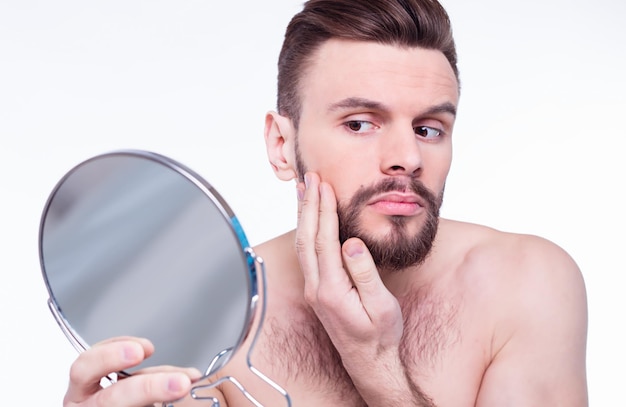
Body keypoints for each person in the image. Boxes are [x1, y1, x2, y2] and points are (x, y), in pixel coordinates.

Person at [62, 0, 588, 405]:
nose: (406, 157)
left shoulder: (527, 285)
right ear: (280, 146)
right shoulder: (195, 314)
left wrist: (379, 366)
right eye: (359, 123)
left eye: (429, 128)